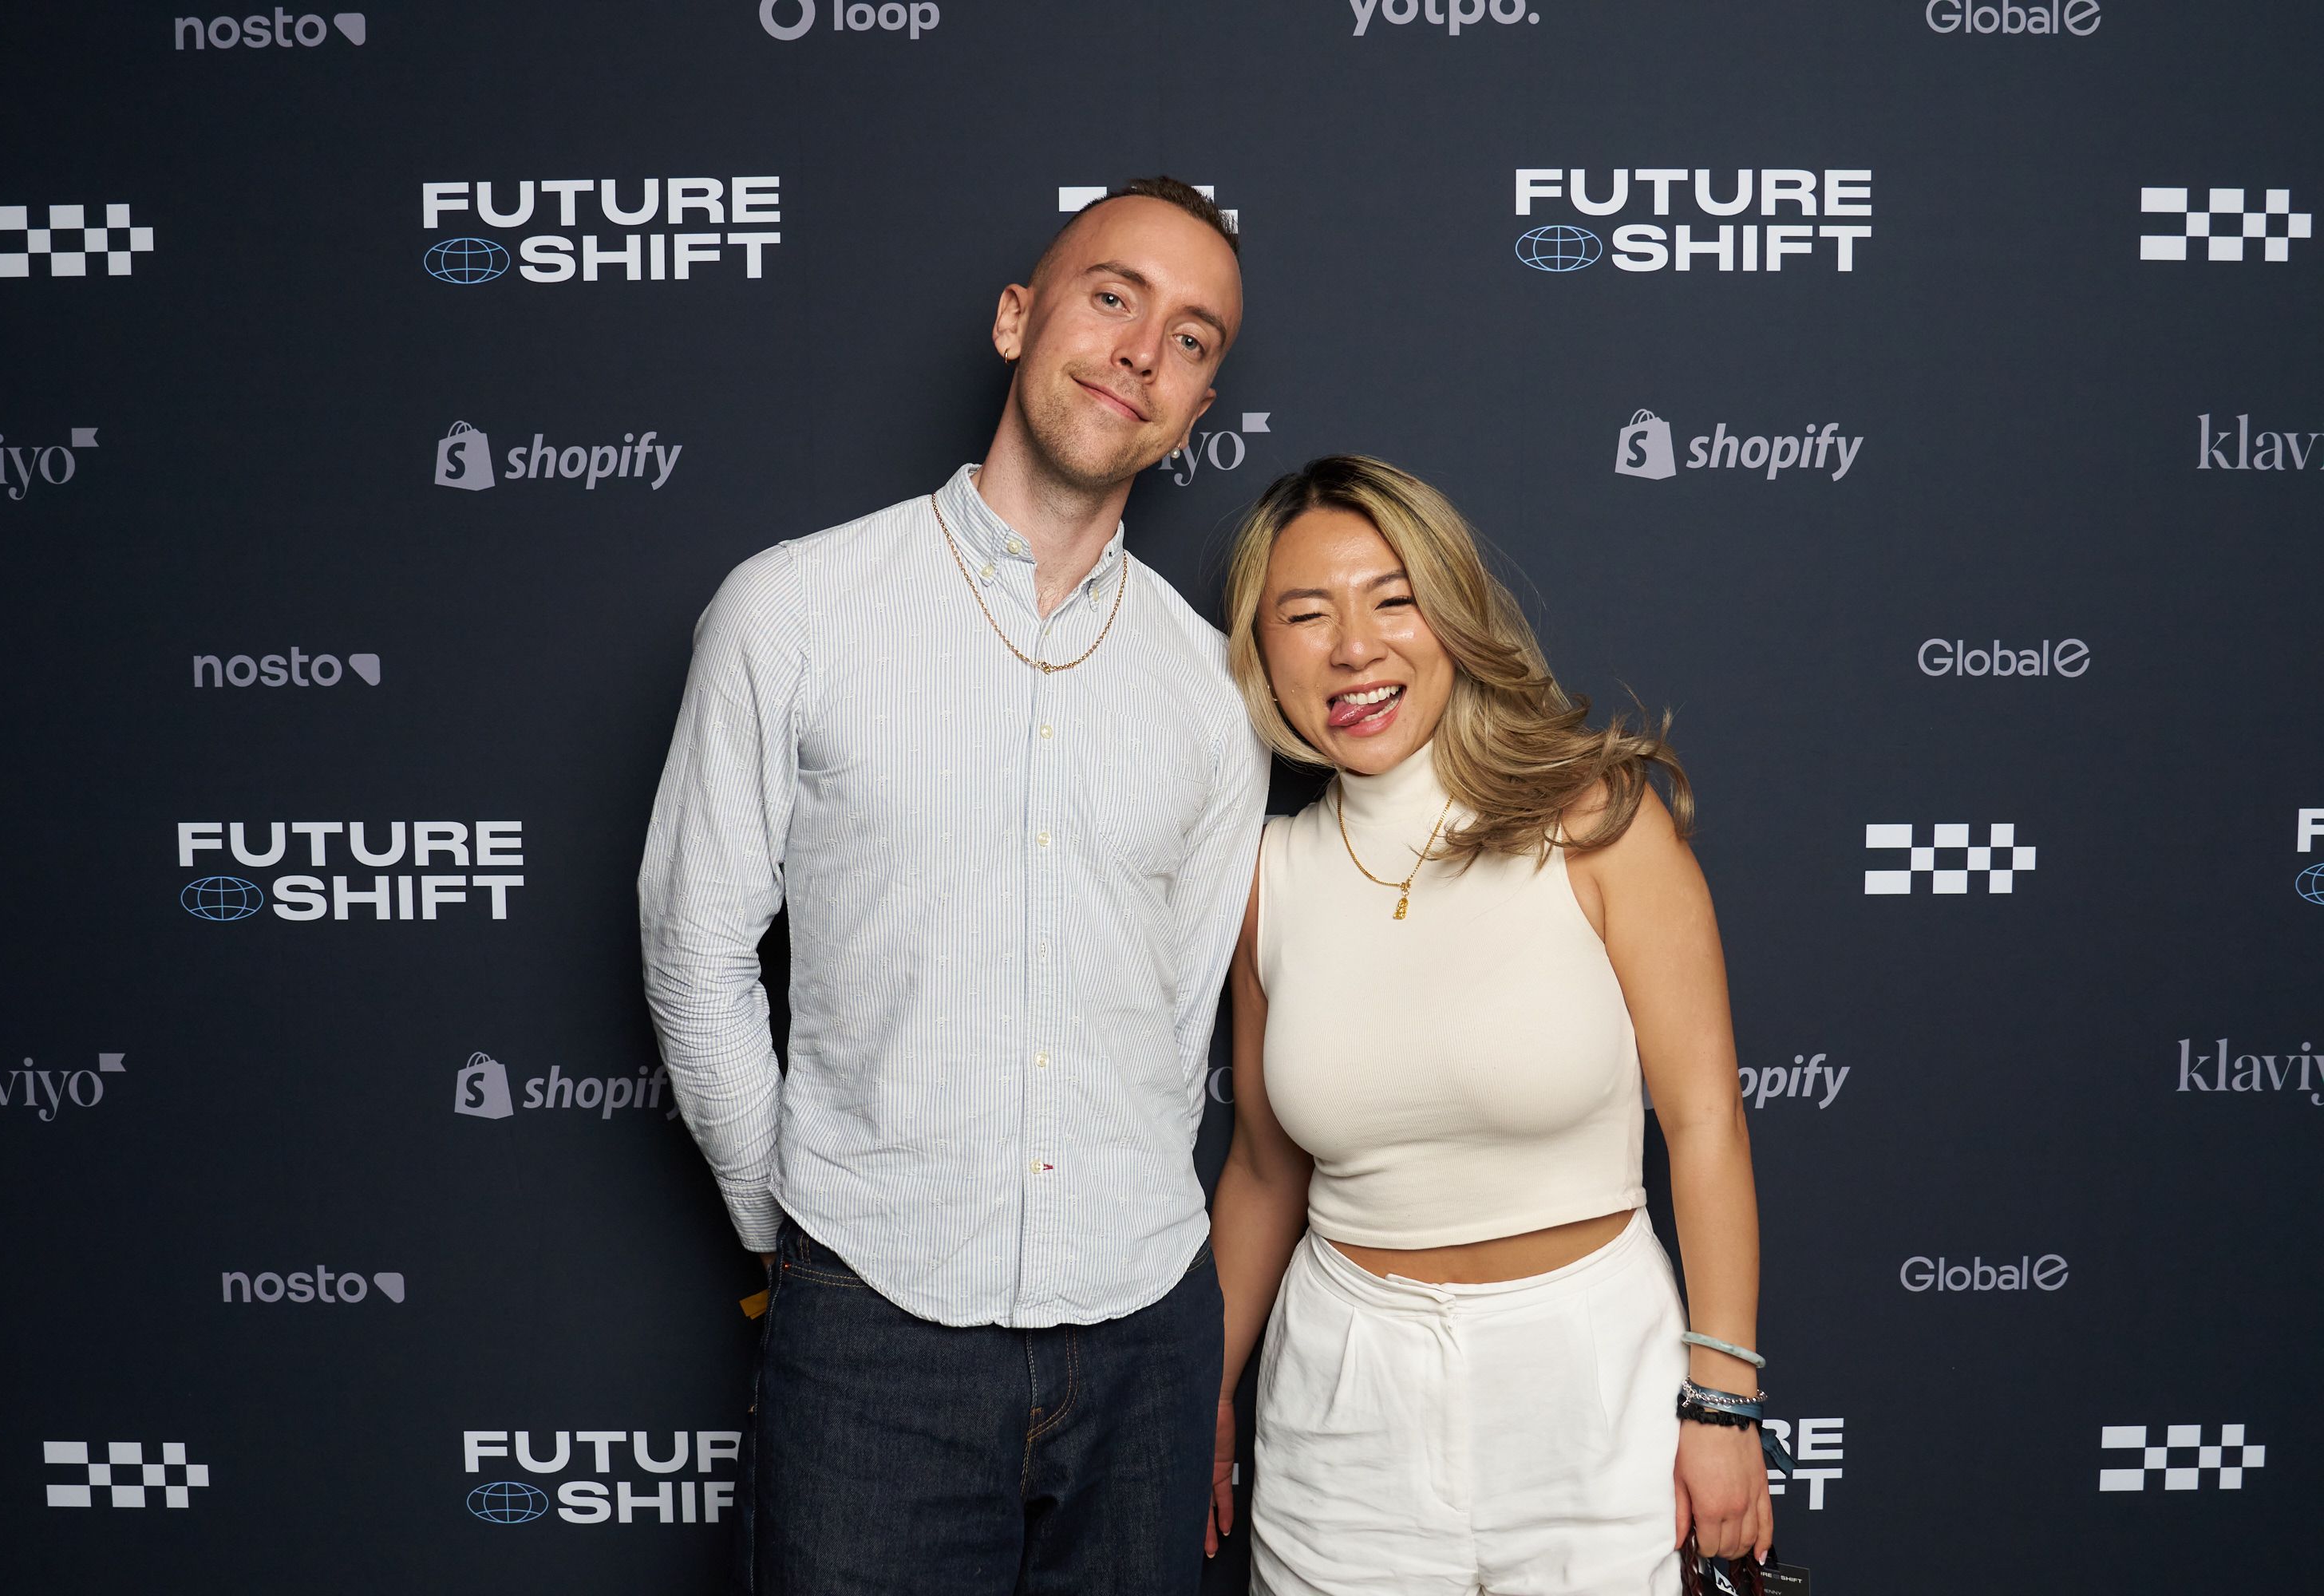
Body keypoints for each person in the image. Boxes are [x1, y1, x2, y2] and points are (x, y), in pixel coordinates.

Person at [637, 176, 1267, 1596]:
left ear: (1199, 404)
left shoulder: (1207, 687)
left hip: (1148, 1340)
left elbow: (1178, 1030)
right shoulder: (793, 610)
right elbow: (694, 953)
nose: (1139, 351)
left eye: (1190, 338)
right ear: (1015, 317)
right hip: (872, 1333)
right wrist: (799, 1233)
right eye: (1112, 296)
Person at [1204, 456, 1773, 1594]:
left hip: (1589, 1374)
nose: (1353, 646)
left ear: (1453, 617)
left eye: (1392, 599)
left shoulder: (1599, 821)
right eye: (1305, 615)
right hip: (1340, 1401)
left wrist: (1724, 1404)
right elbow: (1266, 1169)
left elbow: (1704, 1120)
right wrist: (1208, 1399)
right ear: (1264, 655)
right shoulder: (1265, 874)